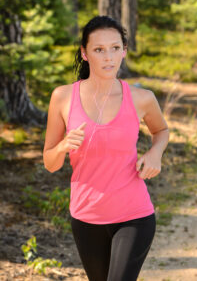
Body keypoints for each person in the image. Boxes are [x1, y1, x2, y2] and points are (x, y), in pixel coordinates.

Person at [43, 15, 170, 281]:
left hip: (134, 215)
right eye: (99, 50)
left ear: (124, 51)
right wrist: (63, 146)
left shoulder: (142, 98)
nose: (108, 57)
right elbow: (50, 163)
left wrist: (155, 152)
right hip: (85, 216)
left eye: (115, 48)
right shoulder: (63, 97)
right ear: (85, 53)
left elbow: (161, 131)